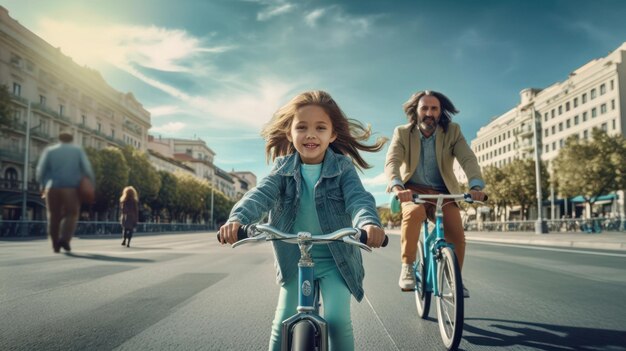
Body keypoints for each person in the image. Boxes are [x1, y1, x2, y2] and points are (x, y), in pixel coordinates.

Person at [219, 90, 387, 351]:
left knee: (338, 321)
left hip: (336, 260)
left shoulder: (343, 168)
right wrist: (238, 219)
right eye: (302, 127)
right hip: (294, 260)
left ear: (332, 135)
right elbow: (260, 194)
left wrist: (368, 224)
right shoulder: (282, 168)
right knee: (281, 323)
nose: (311, 134)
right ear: (290, 133)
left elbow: (358, 198)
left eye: (320, 128)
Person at [384, 90, 486, 296]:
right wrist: (397, 186)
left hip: (444, 192)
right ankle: (408, 267)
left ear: (440, 112)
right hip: (413, 191)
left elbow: (468, 159)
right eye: (424, 108)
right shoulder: (402, 132)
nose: (429, 113)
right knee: (414, 214)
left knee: (456, 233)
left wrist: (475, 186)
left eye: (434, 108)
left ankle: (453, 277)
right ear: (416, 111)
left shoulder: (453, 132)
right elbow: (393, 160)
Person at [36, 129, 95, 253]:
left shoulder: (50, 151)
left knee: (53, 216)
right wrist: (91, 184)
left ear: (59, 139)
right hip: (71, 188)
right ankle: (65, 239)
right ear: (71, 140)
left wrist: (42, 185)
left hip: (52, 187)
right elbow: (87, 168)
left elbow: (41, 169)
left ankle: (55, 245)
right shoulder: (77, 151)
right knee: (72, 213)